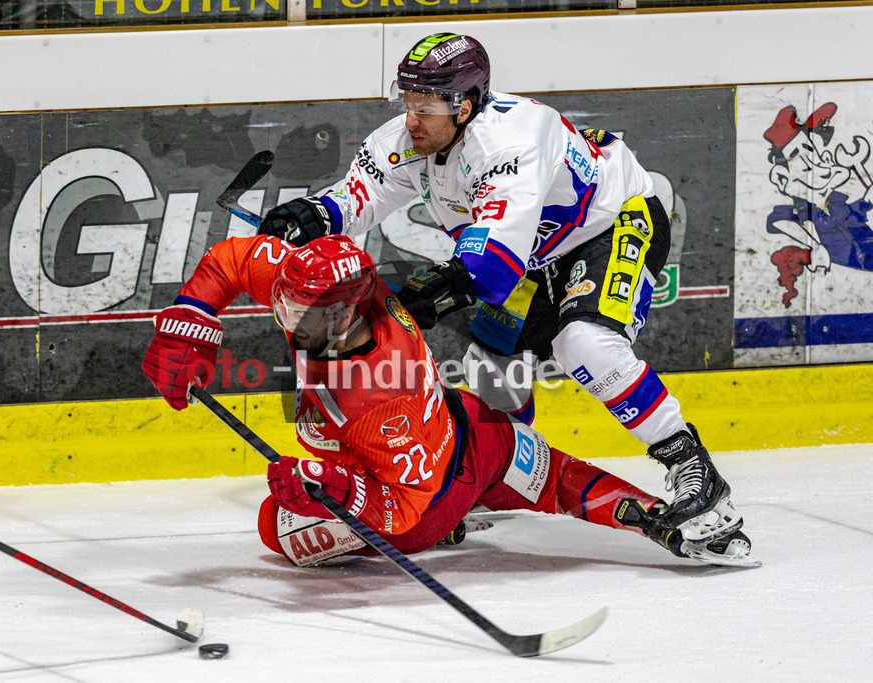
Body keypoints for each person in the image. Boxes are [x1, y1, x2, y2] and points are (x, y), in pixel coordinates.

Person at [255, 32, 751, 557]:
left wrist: (421, 300)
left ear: (464, 105)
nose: (412, 119)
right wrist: (313, 215)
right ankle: (493, 483)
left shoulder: (508, 145)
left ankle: (690, 464)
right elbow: (363, 195)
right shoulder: (412, 138)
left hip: (610, 222)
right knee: (490, 364)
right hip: (538, 252)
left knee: (584, 344)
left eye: (425, 106)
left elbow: (489, 270)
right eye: (407, 102)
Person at [142, 233, 755, 568]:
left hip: (428, 497)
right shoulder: (320, 290)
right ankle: (675, 523)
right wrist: (189, 321)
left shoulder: (381, 393)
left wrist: (332, 487)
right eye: (287, 303)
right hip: (477, 433)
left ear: (341, 316)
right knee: (556, 480)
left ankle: (455, 524)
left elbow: (402, 510)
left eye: (300, 313)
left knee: (277, 529)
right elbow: (228, 261)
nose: (285, 317)